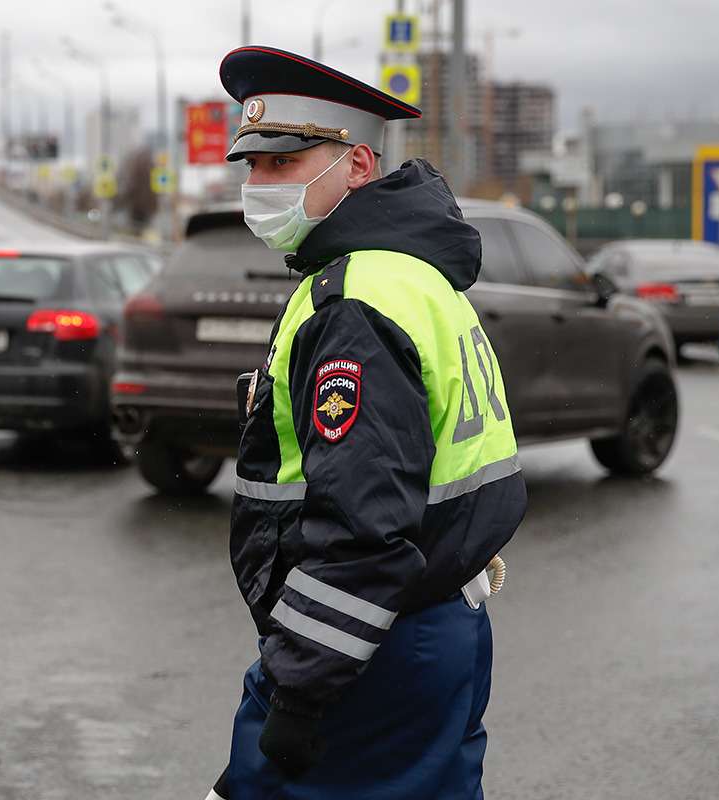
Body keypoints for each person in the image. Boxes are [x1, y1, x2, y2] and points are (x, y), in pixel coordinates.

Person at [209, 46, 527, 800]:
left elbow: (362, 533)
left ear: (355, 164)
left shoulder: (356, 297)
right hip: (435, 625)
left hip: (372, 650)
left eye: (282, 164)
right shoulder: (411, 273)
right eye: (250, 166)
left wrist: (299, 692)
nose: (257, 186)